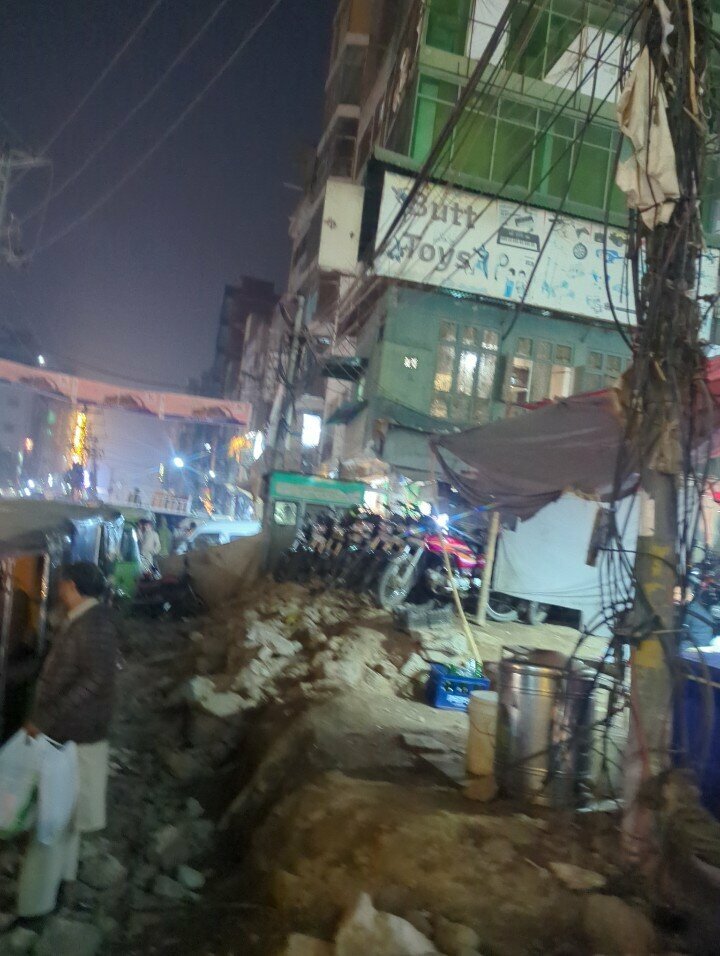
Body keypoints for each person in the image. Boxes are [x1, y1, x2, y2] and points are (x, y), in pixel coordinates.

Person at [17, 562, 119, 920]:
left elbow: (94, 680)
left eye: (62, 586)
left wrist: (44, 719)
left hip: (73, 733)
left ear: (73, 586)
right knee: (64, 816)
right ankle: (61, 886)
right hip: (73, 732)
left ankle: (35, 905)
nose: (59, 591)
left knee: (51, 820)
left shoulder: (94, 624)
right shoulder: (87, 619)